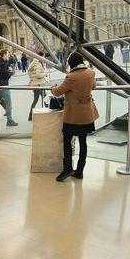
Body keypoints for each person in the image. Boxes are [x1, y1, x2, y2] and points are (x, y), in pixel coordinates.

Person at [52, 52, 99, 182]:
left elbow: (57, 92)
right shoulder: (90, 74)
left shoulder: (71, 77)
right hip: (86, 114)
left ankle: (67, 169)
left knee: (67, 140)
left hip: (73, 115)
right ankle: (79, 171)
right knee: (83, 142)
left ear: (71, 63)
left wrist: (53, 86)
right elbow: (93, 86)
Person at [26, 52, 48, 120]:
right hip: (38, 84)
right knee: (42, 99)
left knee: (44, 98)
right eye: (43, 57)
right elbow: (38, 75)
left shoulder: (35, 62)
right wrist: (45, 74)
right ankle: (30, 116)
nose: (44, 58)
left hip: (37, 84)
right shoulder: (38, 64)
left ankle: (30, 116)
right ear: (40, 57)